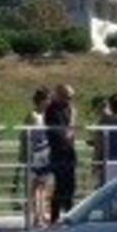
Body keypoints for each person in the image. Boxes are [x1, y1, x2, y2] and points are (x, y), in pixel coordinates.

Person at [45, 84, 77, 223]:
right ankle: (55, 217)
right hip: (59, 151)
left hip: (68, 151)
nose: (70, 100)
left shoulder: (67, 109)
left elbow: (70, 134)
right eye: (67, 97)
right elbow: (65, 133)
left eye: (71, 97)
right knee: (61, 186)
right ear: (59, 95)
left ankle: (69, 215)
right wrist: (73, 119)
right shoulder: (53, 110)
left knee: (70, 186)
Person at [20, 87, 51, 228]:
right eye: (48, 100)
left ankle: (43, 213)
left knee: (44, 186)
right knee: (35, 186)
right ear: (42, 100)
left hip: (46, 153)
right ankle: (36, 216)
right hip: (35, 154)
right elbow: (25, 136)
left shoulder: (48, 116)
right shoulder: (33, 116)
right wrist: (25, 155)